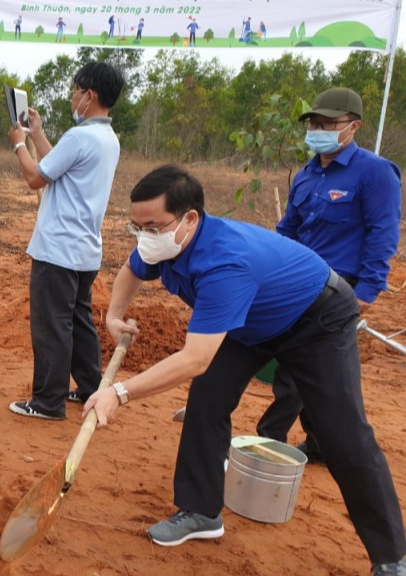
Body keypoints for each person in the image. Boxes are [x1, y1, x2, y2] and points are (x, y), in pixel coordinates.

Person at [82, 164, 406, 576]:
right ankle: (201, 513)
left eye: (152, 226)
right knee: (208, 398)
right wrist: (114, 314)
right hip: (252, 321)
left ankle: (391, 557)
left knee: (343, 435)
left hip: (317, 319)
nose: (144, 235)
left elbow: (194, 358)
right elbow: (132, 269)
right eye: (136, 226)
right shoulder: (164, 242)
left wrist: (119, 393)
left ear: (190, 219)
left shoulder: (225, 264)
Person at [256, 87, 402, 462]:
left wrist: (368, 289)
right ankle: (320, 444)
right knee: (321, 369)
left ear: (353, 127)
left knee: (295, 365)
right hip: (298, 282)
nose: (318, 129)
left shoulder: (375, 173)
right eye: (315, 123)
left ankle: (267, 438)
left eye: (328, 124)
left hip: (341, 288)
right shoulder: (306, 175)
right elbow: (289, 228)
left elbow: (383, 233)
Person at [6, 61, 124, 419]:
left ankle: (47, 401)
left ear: (90, 95)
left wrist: (19, 144)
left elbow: (35, 177)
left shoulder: (80, 137)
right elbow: (61, 162)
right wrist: (38, 134)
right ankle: (90, 387)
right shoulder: (107, 138)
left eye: (76, 90)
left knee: (51, 325)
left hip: (57, 249)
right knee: (79, 321)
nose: (72, 96)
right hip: (85, 250)